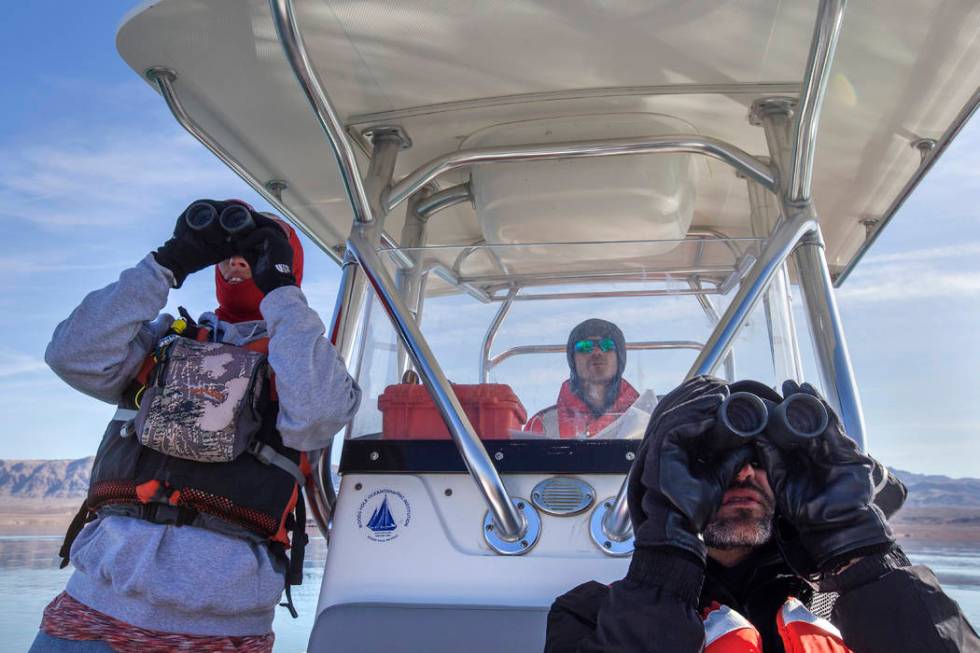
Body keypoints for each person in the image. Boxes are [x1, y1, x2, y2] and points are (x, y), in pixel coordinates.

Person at [30, 200, 361, 652]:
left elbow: (318, 418)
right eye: (229, 249)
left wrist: (282, 292)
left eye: (257, 249)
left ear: (287, 263)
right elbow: (72, 355)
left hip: (217, 632)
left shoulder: (304, 362)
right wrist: (167, 263)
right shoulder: (164, 342)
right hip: (90, 616)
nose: (238, 260)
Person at [545, 376, 979, 652]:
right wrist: (668, 549)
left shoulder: (846, 606)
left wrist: (858, 546)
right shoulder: (588, 614)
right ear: (658, 477)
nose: (746, 471)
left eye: (764, 458)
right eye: (715, 457)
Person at [525, 318, 640, 437]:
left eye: (607, 345)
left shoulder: (648, 416)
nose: (597, 352)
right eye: (584, 347)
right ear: (572, 360)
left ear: (620, 357)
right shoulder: (542, 423)